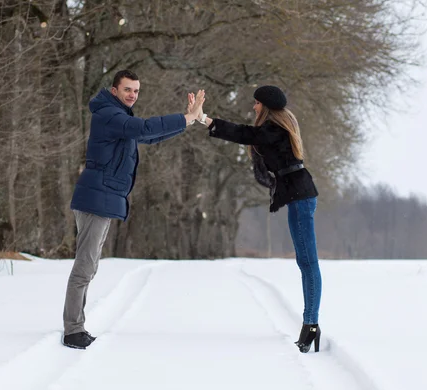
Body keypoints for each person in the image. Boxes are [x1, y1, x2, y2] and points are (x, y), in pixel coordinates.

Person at [62, 69, 205, 349]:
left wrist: (186, 122)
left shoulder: (120, 118)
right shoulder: (108, 115)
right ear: (114, 91)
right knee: (85, 266)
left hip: (104, 197)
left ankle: (76, 324)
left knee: (89, 266)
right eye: (128, 90)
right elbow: (144, 129)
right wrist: (186, 117)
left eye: (137, 91)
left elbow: (148, 136)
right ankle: (72, 330)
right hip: (96, 198)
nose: (132, 95)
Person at [199, 85, 322, 353]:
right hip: (298, 195)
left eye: (256, 103)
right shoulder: (275, 128)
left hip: (300, 197)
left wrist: (205, 119)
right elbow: (250, 137)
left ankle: (311, 324)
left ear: (265, 106)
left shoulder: (273, 129)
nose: (253, 107)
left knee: (308, 262)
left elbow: (244, 134)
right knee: (305, 262)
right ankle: (311, 322)